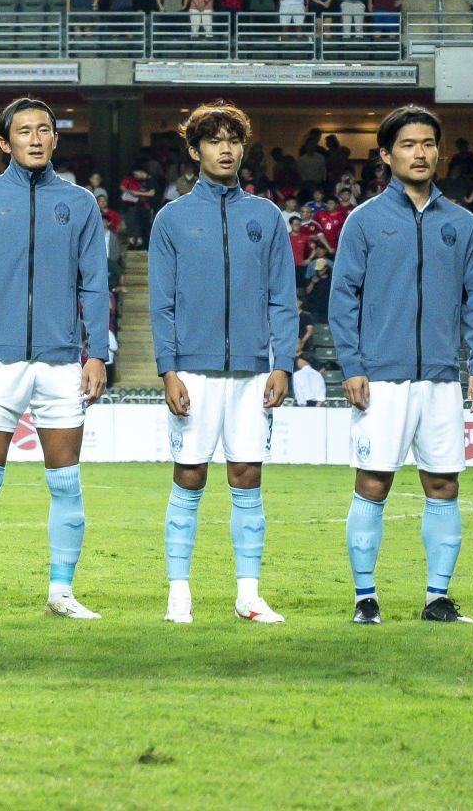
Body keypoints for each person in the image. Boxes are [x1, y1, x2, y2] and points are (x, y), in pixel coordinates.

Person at [0, 97, 111, 620]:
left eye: (44, 129)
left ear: (56, 139)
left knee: (66, 480)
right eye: (24, 131)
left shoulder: (82, 203)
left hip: (63, 360)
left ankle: (61, 593)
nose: (36, 138)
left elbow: (95, 285)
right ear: (4, 143)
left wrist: (97, 353)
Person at [330, 106, 473, 625]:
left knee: (443, 484)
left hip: (442, 377)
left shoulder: (461, 222)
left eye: (427, 143)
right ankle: (365, 598)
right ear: (385, 154)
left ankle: (437, 598)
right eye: (407, 144)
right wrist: (352, 365)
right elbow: (343, 299)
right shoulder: (366, 220)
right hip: (381, 377)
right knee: (373, 482)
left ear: (439, 152)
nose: (419, 152)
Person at [148, 102, 298, 625]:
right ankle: (179, 593)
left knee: (247, 475)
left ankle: (248, 595)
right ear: (195, 151)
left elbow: (283, 297)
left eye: (233, 139)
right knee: (188, 475)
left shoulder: (266, 216)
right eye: (214, 140)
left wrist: (284, 366)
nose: (226, 148)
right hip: (192, 368)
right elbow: (161, 301)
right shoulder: (171, 218)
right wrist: (167, 369)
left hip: (256, 370)